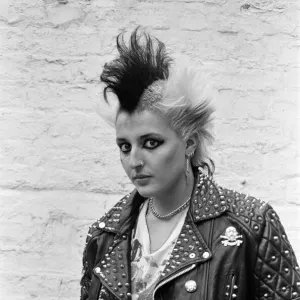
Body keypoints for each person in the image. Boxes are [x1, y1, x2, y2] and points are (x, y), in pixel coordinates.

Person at [80, 27, 300, 300]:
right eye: (125, 146)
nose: (134, 161)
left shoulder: (251, 225)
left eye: (151, 143)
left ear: (190, 143)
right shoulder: (104, 236)